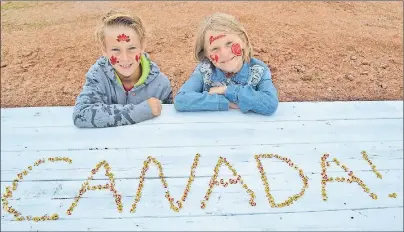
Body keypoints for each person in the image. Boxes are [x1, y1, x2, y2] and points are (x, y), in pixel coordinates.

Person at [73, 9, 172, 128]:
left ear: (142, 46)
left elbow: (168, 125)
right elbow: (81, 114)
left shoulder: (160, 85)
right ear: (104, 50)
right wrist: (141, 111)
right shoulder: (98, 77)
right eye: (116, 50)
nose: (125, 58)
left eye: (131, 48)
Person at [174, 13, 278, 116]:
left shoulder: (259, 70)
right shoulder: (204, 70)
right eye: (215, 48)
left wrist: (227, 91)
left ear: (243, 41)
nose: (224, 54)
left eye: (229, 44)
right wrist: (225, 102)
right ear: (206, 55)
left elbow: (270, 104)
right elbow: (181, 100)